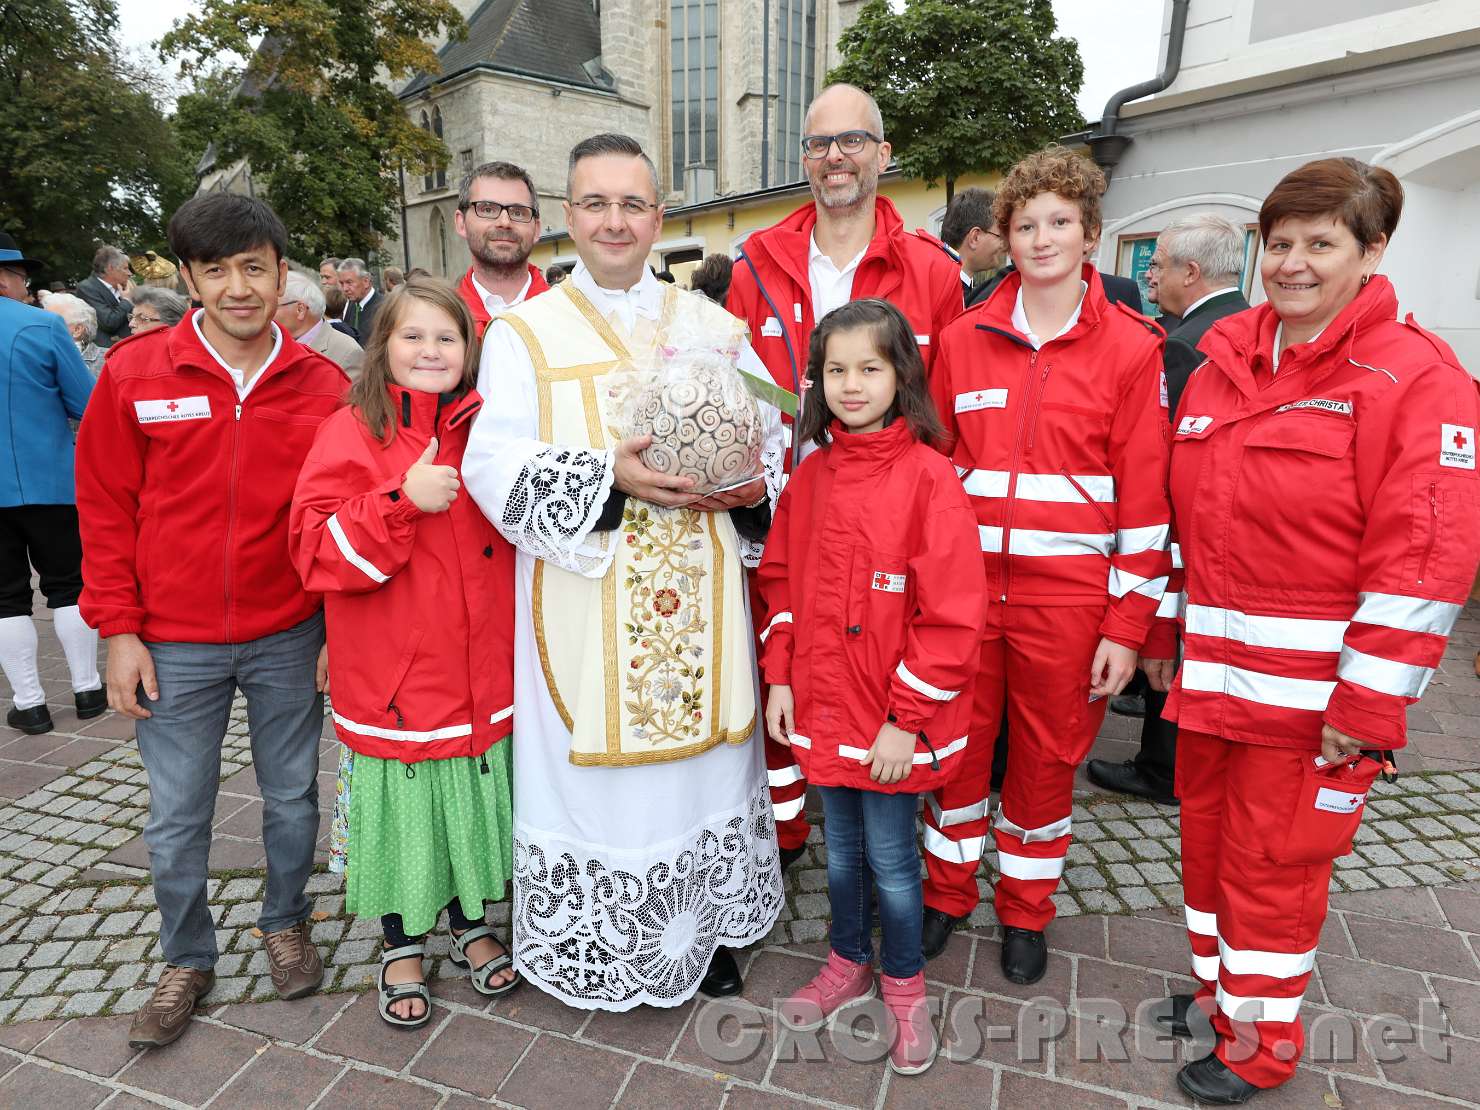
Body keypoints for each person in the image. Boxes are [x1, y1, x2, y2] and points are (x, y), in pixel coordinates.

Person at [1154, 157, 1480, 1104]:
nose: (1292, 262)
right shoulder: (1226, 362)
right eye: (1280, 242)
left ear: (1372, 252)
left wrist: (1367, 707)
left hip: (1309, 705)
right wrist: (1165, 635)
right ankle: (1221, 997)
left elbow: (1424, 564)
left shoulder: (1415, 379)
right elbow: (1188, 521)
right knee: (1209, 854)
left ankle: (1258, 1045)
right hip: (1214, 685)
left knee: (1274, 873)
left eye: (1320, 243)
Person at [462, 132, 784, 1010]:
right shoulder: (523, 334)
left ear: (658, 216)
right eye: (597, 203)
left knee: (703, 772)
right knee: (608, 781)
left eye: (633, 204)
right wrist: (612, 478)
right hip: (587, 598)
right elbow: (490, 464)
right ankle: (608, 933)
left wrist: (755, 484)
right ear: (569, 217)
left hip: (703, 593)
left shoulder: (717, 327)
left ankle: (703, 927)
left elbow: (779, 427)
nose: (615, 221)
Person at [76, 194, 347, 1049]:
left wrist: (337, 629)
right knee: (176, 815)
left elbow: (339, 515)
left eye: (254, 268)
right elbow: (105, 508)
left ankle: (286, 921)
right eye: (217, 270)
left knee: (294, 797)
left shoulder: (324, 385)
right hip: (172, 640)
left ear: (281, 274)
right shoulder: (136, 373)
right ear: (190, 279)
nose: (238, 287)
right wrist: (120, 631)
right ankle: (187, 957)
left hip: (289, 632)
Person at [923, 147, 1174, 977]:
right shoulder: (961, 340)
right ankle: (945, 895)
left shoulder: (1133, 349)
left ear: (1090, 234)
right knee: (955, 754)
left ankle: (1025, 911)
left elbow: (1146, 505)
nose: (1041, 237)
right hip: (964, 601)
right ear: (1005, 236)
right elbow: (932, 476)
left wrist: (1128, 627)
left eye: (1059, 221)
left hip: (1068, 607)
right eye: (1025, 223)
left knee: (1044, 766)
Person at [725, 82, 964, 866]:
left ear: (882, 154)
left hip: (884, 526)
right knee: (781, 676)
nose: (836, 157)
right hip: (778, 521)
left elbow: (944, 408)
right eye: (820, 143)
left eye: (852, 140)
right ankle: (784, 840)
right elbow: (735, 390)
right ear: (804, 158)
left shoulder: (932, 271)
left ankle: (888, 848)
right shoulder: (756, 264)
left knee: (871, 685)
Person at [761, 299, 986, 1075]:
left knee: (893, 862)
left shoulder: (929, 478)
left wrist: (905, 720)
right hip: (824, 707)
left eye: (869, 367)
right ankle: (847, 958)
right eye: (836, 370)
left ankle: (905, 983)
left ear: (901, 377)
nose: (851, 384)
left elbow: (952, 616)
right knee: (843, 854)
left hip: (889, 723)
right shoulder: (812, 475)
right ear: (817, 381)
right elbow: (782, 581)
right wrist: (780, 676)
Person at [290, 278, 517, 1029]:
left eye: (446, 338)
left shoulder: (488, 426)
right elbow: (313, 550)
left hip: (479, 670)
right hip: (396, 675)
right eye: (412, 335)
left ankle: (469, 922)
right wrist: (400, 501)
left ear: (469, 351)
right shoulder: (350, 431)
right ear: (382, 344)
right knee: (407, 816)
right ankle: (401, 942)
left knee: (465, 807)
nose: (430, 350)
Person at [1088, 214, 1250, 807]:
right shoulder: (1250, 326)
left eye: (1157, 264)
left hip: (1185, 527)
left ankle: (1163, 765)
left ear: (1191, 271)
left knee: (1173, 646)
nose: (1149, 276)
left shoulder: (1185, 343)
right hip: (1231, 528)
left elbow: (1162, 453)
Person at [0, 234, 100, 736]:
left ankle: (30, 703)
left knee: (5, 598)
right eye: (22, 276)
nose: (25, 285)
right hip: (52, 480)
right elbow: (88, 404)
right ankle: (88, 689)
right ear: (7, 278)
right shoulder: (42, 325)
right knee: (69, 585)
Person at [453, 161, 549, 333]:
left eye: (518, 212)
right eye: (487, 210)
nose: (504, 222)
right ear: (461, 223)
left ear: (536, 229)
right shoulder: (443, 321)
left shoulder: (569, 317)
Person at [275, 270, 365, 380]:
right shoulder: (271, 345)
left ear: (300, 310)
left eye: (274, 306)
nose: (267, 313)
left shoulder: (347, 353)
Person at [940, 187, 1008, 308]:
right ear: (975, 238)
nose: (1004, 246)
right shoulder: (947, 296)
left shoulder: (942, 285)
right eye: (1000, 236)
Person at [76, 245, 134, 347]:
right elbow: (109, 323)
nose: (129, 273)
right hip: (110, 351)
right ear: (110, 268)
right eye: (125, 268)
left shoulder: (124, 287)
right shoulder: (87, 288)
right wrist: (126, 300)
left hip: (131, 346)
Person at [43, 292, 105, 377]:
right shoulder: (38, 358)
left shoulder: (110, 360)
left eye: (50, 322)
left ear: (77, 330)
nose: (40, 326)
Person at [337, 257, 383, 340]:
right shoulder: (351, 303)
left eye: (349, 282)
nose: (345, 288)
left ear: (366, 281)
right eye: (341, 283)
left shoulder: (384, 307)